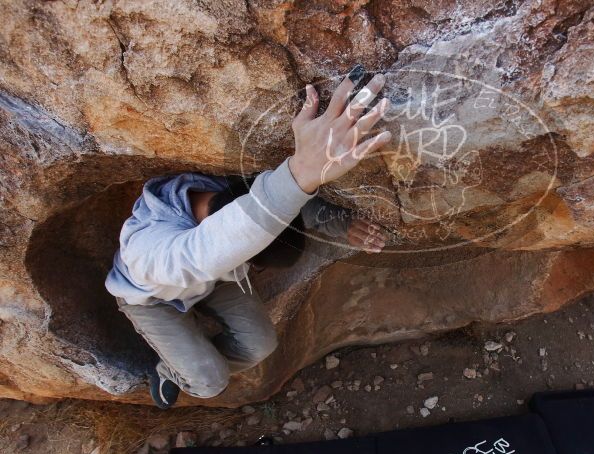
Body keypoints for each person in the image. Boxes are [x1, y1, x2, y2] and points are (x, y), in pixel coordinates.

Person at [105, 66, 392, 408]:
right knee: (210, 382)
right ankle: (175, 370)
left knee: (260, 345)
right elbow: (202, 253)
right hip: (152, 298)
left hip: (218, 281)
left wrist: (338, 222)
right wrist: (300, 173)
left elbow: (272, 206)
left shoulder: (226, 189)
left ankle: (184, 357)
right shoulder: (148, 249)